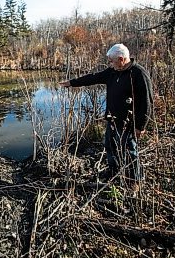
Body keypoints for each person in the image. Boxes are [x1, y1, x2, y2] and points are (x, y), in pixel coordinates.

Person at [59, 43, 153, 187]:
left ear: (121, 59)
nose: (109, 64)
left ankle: (135, 180)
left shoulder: (139, 74)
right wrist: (72, 83)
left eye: (111, 61)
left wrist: (140, 126)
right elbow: (93, 78)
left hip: (128, 122)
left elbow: (147, 102)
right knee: (110, 146)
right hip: (112, 120)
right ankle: (113, 171)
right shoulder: (112, 72)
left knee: (130, 151)